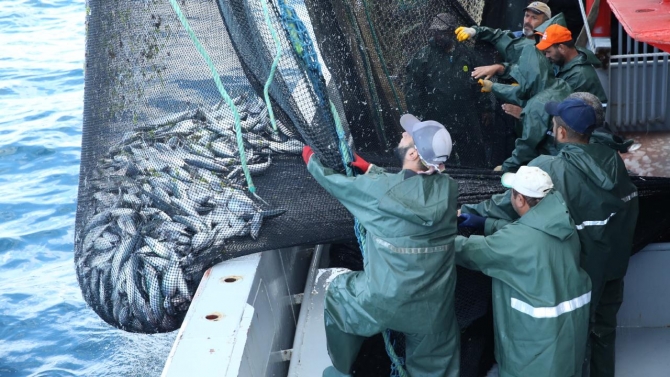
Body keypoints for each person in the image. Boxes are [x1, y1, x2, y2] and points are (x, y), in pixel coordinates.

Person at [460, 96, 639, 377]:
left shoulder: (551, 166)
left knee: (577, 335)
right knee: (603, 330)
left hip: (582, 269)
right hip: (614, 265)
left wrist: (470, 213)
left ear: (561, 132)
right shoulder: (611, 159)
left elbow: (511, 202)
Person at [303, 114, 460, 377]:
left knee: (338, 296)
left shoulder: (378, 190)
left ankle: (341, 370)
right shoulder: (449, 189)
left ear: (412, 153)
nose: (402, 134)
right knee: (436, 359)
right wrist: (371, 168)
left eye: (407, 135)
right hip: (433, 308)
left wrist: (312, 162)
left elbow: (337, 184)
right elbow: (411, 186)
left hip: (385, 301)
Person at [455, 166, 592, 377]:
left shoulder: (519, 240)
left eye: (512, 193)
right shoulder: (564, 223)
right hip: (567, 334)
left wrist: (436, 237)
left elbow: (469, 252)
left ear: (520, 201)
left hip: (533, 343)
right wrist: (487, 223)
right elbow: (526, 234)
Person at [404, 13, 491, 167]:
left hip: (466, 117)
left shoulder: (466, 54)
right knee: (441, 160)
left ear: (452, 32)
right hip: (437, 118)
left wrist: (485, 107)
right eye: (435, 32)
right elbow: (412, 88)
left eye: (442, 32)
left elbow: (480, 81)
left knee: (474, 160)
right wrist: (418, 118)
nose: (438, 36)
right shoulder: (424, 56)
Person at [477, 45, 571, 172]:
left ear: (528, 78)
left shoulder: (537, 105)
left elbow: (527, 145)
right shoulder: (559, 84)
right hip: (572, 154)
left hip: (555, 161)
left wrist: (507, 166)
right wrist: (494, 87)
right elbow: (525, 93)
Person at [455, 1, 551, 66]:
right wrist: (474, 31)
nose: (527, 21)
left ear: (546, 23)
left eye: (534, 18)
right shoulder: (513, 36)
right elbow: (494, 34)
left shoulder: (550, 48)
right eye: (527, 16)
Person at [536, 24, 608, 105]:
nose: (547, 56)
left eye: (548, 52)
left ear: (562, 48)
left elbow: (558, 104)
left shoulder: (579, 75)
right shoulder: (563, 61)